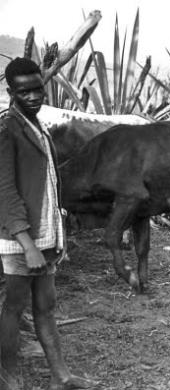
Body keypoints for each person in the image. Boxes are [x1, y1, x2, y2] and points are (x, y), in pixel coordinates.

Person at [0, 58, 98, 389]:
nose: (33, 96)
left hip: (45, 234)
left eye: (37, 88)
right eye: (24, 91)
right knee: (14, 307)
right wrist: (27, 246)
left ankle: (61, 376)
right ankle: (9, 376)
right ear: (11, 92)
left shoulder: (37, 126)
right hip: (20, 239)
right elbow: (5, 193)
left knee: (47, 305)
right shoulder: (6, 130)